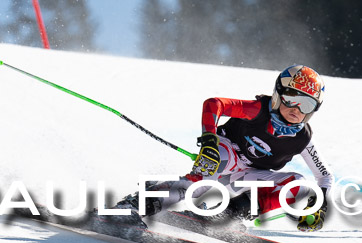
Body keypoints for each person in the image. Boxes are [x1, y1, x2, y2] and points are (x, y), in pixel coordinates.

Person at [113, 65, 334, 232]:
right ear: (277, 95)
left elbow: (324, 177)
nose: (296, 109)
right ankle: (136, 204)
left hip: (245, 176)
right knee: (204, 179)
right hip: (223, 154)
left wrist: (320, 203)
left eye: (306, 105)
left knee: (299, 184)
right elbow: (214, 104)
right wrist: (209, 140)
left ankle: (226, 215)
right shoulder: (257, 110)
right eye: (291, 98)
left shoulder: (302, 139)